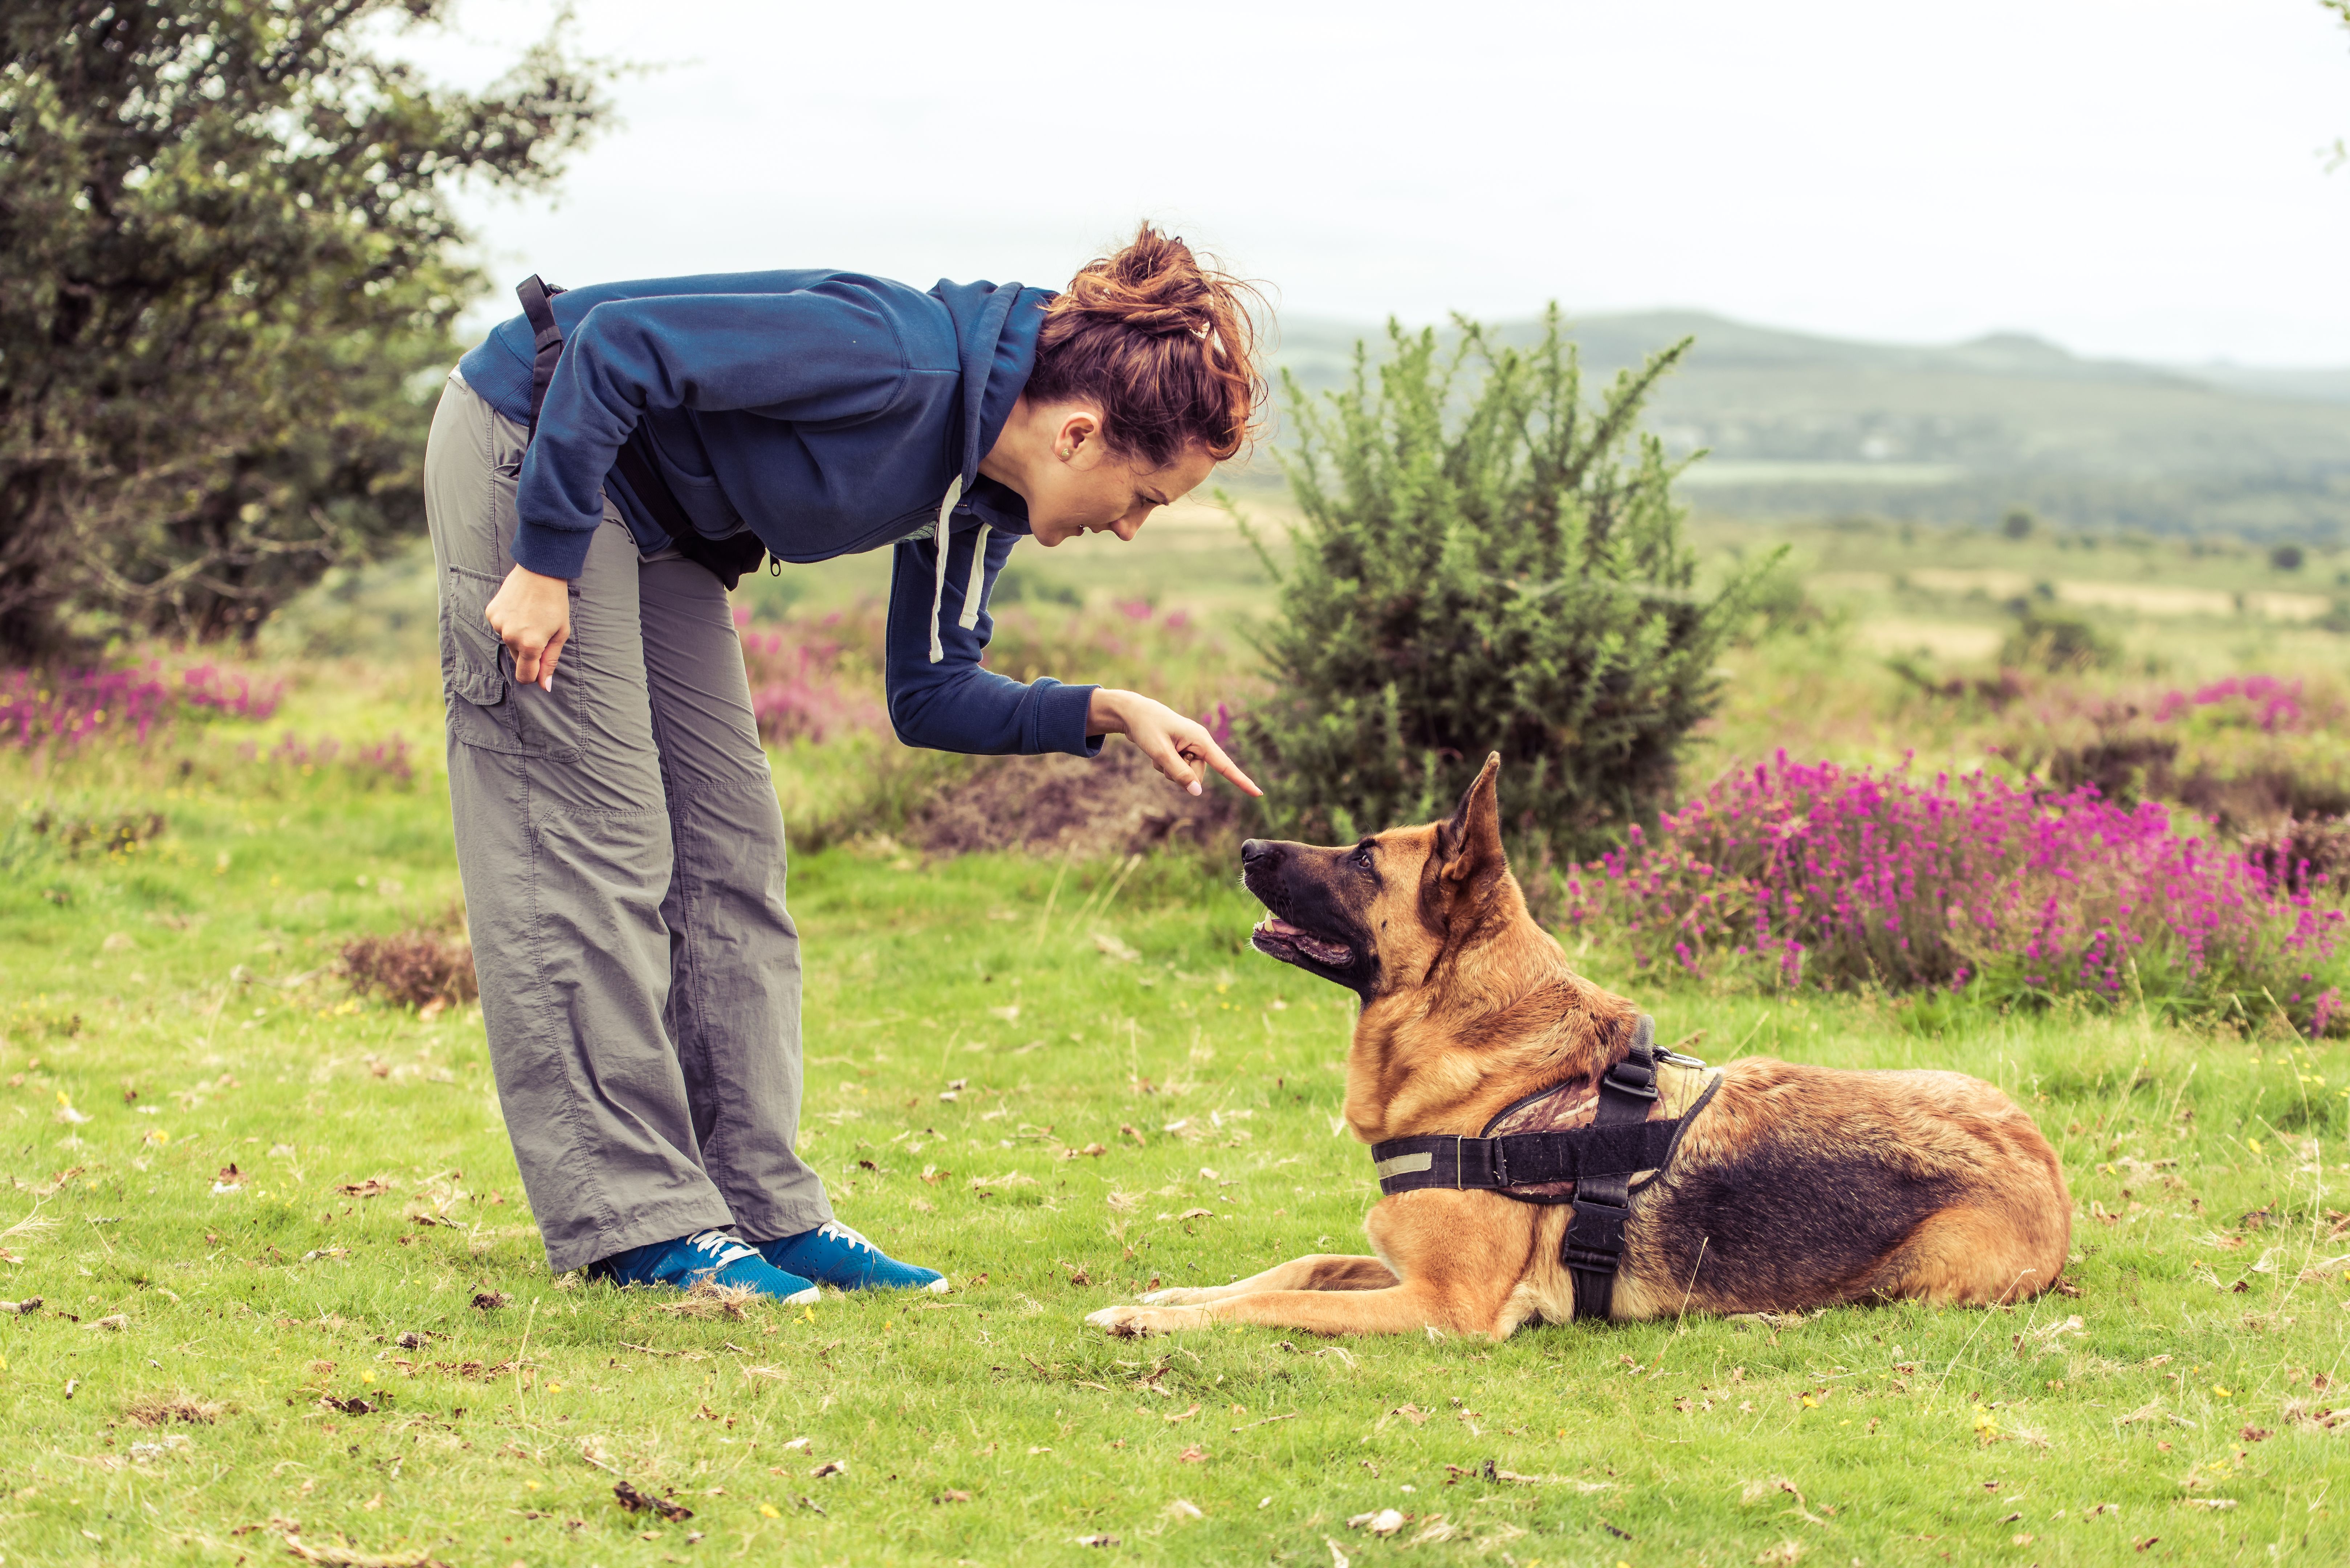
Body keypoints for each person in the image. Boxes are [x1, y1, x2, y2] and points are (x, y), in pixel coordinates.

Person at [420, 225, 1264, 1303]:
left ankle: (763, 1207)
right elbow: (617, 346)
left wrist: (1103, 709)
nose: (1135, 530)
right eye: (1144, 496)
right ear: (1080, 434)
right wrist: (542, 561)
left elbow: (930, 694)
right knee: (597, 842)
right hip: (542, 449)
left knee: (731, 853)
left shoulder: (979, 502)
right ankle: (637, 1222)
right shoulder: (893, 354)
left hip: (666, 525)